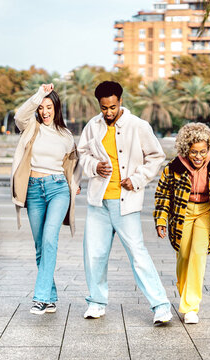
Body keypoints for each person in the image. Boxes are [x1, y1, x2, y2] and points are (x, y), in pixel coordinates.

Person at [78, 81, 172, 325]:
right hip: (98, 202)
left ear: (120, 101)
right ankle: (96, 303)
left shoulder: (138, 125)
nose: (108, 112)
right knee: (94, 255)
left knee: (138, 255)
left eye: (112, 106)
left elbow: (156, 156)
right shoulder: (92, 126)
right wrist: (93, 166)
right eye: (104, 108)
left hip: (126, 202)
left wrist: (138, 178)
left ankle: (161, 306)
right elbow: (82, 155)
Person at [154, 123, 210, 324]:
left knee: (198, 256)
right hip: (182, 213)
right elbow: (163, 195)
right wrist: (161, 220)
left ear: (209, 148)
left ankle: (190, 306)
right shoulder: (173, 168)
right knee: (183, 256)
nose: (199, 156)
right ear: (186, 150)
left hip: (206, 213)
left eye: (203, 151)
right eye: (194, 152)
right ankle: (186, 294)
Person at [11, 84, 81, 315]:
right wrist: (39, 94)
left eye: (49, 107)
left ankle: (40, 298)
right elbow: (19, 115)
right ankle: (50, 296)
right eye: (41, 108)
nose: (44, 112)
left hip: (58, 189)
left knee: (50, 238)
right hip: (33, 189)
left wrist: (75, 183)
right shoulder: (31, 127)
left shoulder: (66, 136)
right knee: (41, 246)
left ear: (56, 108)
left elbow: (74, 164)